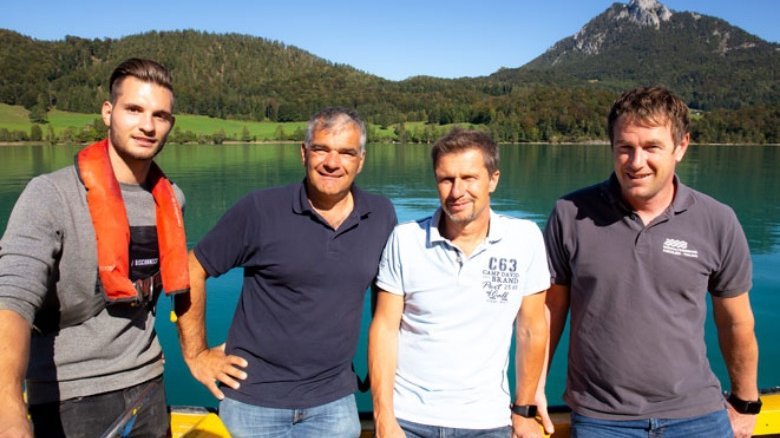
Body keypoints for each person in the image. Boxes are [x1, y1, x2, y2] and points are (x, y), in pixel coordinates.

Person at [544, 86, 760, 437]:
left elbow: (736, 323)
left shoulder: (718, 220)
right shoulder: (570, 214)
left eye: (651, 147)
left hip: (698, 416)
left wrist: (746, 402)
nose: (636, 161)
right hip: (602, 419)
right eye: (625, 148)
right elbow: (548, 314)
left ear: (681, 146)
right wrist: (528, 396)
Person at [176, 107, 396, 437]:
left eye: (346, 152)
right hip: (252, 404)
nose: (332, 163)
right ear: (304, 153)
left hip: (335, 404)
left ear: (360, 161)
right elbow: (192, 267)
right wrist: (196, 354)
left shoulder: (380, 216)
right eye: (321, 149)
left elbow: (391, 308)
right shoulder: (260, 210)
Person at [0, 58, 186, 437]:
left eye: (160, 115)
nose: (147, 125)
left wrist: (195, 353)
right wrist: (8, 407)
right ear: (108, 112)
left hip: (149, 382)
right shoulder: (50, 195)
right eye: (134, 109)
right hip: (70, 397)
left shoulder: (172, 200)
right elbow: (11, 299)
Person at [368, 128, 551, 438]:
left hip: (487, 422)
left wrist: (523, 411)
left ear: (493, 180)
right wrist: (384, 417)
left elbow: (531, 328)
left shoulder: (524, 239)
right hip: (408, 419)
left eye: (469, 178)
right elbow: (385, 329)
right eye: (446, 179)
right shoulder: (406, 240)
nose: (456, 192)